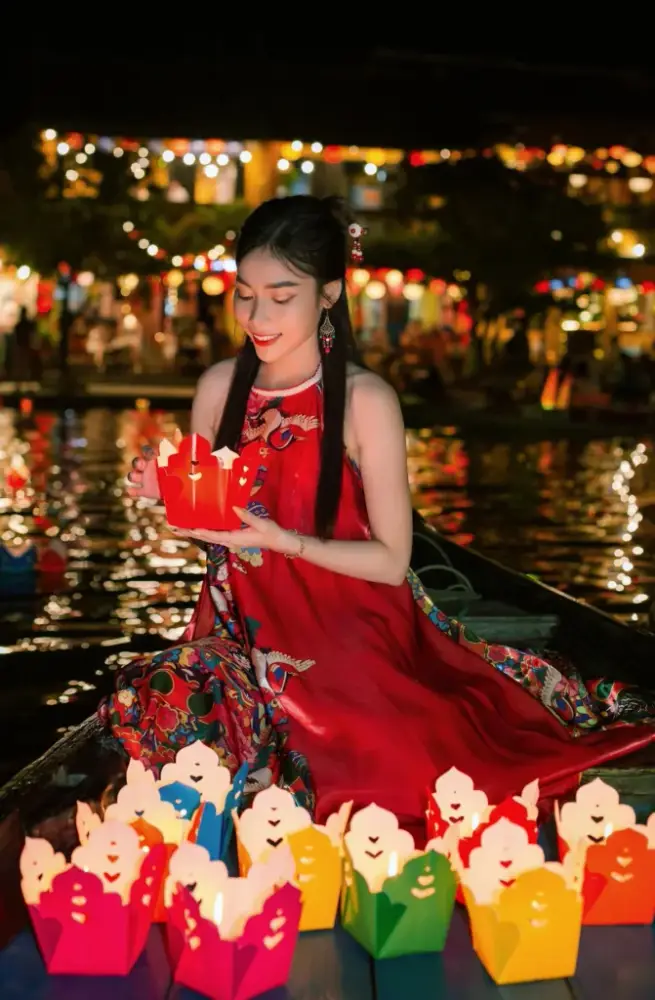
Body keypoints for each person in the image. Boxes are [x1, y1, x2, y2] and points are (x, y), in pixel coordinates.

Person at [100, 195, 655, 837]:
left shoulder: (365, 401)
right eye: (245, 294)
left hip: (350, 625)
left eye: (282, 296)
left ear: (329, 293)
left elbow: (392, 562)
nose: (257, 315)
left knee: (371, 758)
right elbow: (215, 532)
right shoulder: (218, 389)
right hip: (241, 628)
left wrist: (286, 540)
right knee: (155, 697)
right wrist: (164, 493)